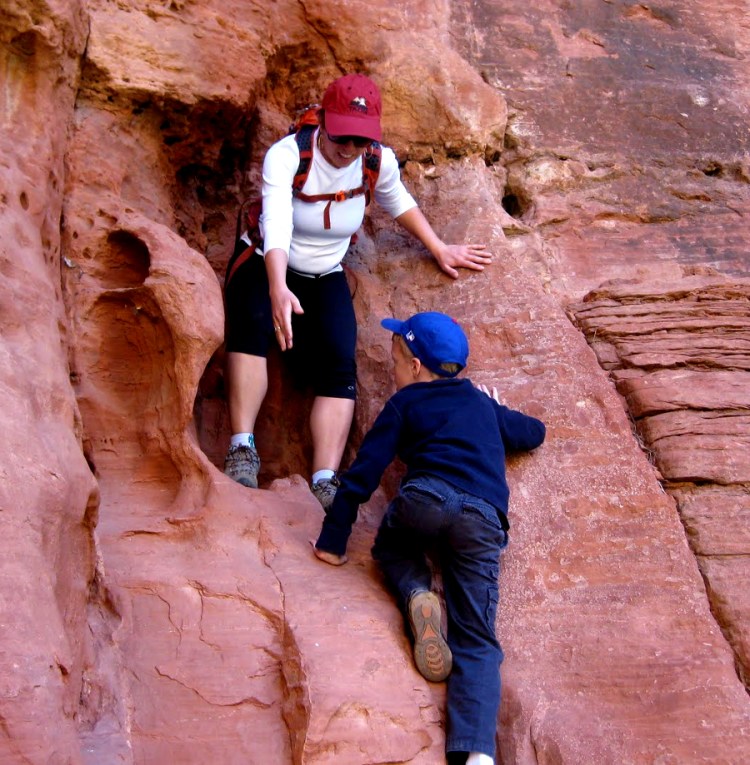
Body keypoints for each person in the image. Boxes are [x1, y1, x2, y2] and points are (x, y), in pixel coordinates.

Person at [223, 73, 492, 507]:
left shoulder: (375, 160)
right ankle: (241, 447)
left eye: (360, 139)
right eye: (342, 135)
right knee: (251, 327)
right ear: (324, 121)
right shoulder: (288, 156)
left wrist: (439, 247)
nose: (349, 148)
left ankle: (325, 478)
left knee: (339, 357)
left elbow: (397, 200)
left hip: (325, 270)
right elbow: (276, 222)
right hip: (265, 259)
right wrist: (277, 287)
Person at [313, 312, 546, 765]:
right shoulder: (481, 404)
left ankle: (418, 593)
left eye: (396, 362)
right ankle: (477, 754)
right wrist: (496, 409)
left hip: (425, 498)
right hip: (482, 517)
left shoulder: (405, 403)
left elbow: (363, 474)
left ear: (416, 367)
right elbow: (534, 433)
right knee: (476, 635)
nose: (394, 371)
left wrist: (333, 540)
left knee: (392, 547)